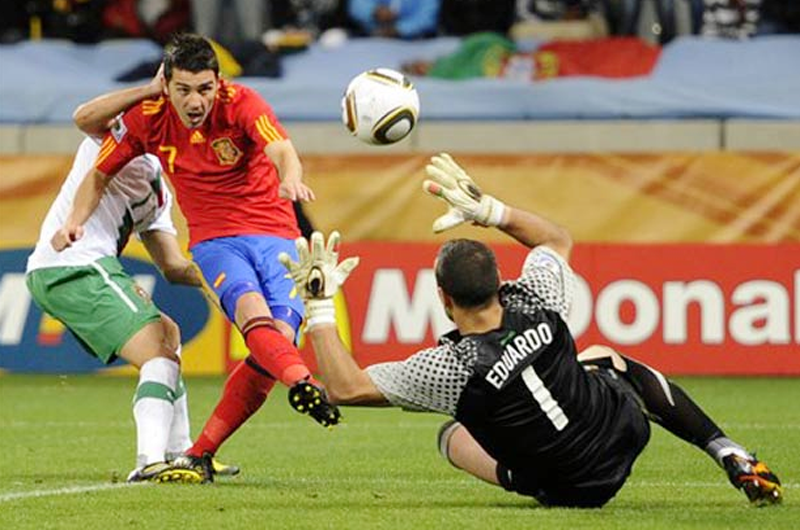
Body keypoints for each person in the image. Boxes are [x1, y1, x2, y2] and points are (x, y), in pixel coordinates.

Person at [279, 153, 784, 507]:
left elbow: (345, 387)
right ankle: (727, 450)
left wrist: (319, 304)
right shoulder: (538, 299)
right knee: (608, 358)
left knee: (452, 435)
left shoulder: (447, 368)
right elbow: (557, 239)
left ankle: (524, 474)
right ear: (501, 282)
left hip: (573, 491)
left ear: (443, 299)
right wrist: (491, 212)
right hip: (624, 435)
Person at [57, 32, 340, 483]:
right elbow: (99, 172)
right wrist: (74, 219)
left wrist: (290, 180)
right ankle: (304, 382)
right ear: (165, 84)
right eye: (184, 89)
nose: (195, 101)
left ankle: (201, 451)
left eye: (204, 89)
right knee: (255, 319)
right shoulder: (146, 118)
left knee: (277, 343)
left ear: (219, 83)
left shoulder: (243, 101)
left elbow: (282, 149)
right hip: (216, 242)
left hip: (277, 234)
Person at [26, 134, 205, 484]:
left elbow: (172, 266)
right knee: (158, 351)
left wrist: (229, 279)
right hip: (73, 265)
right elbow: (84, 116)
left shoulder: (157, 191)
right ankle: (150, 461)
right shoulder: (112, 140)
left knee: (168, 334)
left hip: (84, 267)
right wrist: (153, 88)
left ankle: (182, 452)